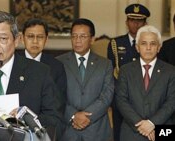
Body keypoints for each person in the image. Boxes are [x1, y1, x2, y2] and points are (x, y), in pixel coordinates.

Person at [57, 18, 114, 141]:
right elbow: (56, 95)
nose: (77, 40)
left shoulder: (105, 64)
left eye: (83, 36)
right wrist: (73, 115)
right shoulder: (58, 62)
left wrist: (86, 117)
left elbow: (107, 96)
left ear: (92, 39)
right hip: (68, 130)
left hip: (96, 130)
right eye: (74, 36)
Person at [115, 25, 175, 141]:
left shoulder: (171, 71)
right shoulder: (125, 70)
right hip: (132, 131)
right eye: (143, 43)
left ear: (159, 47)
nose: (148, 48)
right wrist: (140, 124)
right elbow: (121, 100)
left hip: (162, 131)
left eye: (153, 44)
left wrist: (152, 123)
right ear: (137, 47)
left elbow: (172, 101)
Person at [107, 3, 150, 141]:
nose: (136, 24)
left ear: (145, 23)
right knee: (120, 132)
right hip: (121, 96)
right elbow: (110, 72)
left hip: (145, 96)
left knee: (145, 130)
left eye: (139, 21)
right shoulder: (115, 43)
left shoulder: (150, 44)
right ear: (126, 22)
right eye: (132, 20)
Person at [19, 18, 67, 115]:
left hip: (46, 122)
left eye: (40, 37)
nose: (35, 41)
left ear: (46, 40)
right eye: (30, 36)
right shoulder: (12, 62)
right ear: (22, 39)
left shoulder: (56, 66)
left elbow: (59, 102)